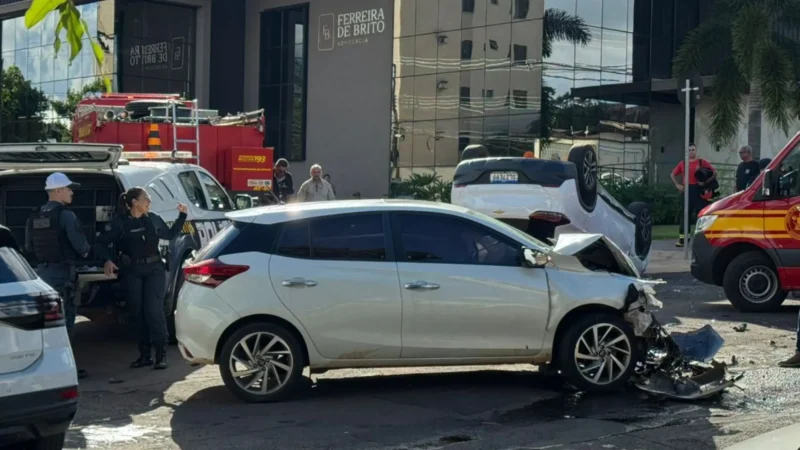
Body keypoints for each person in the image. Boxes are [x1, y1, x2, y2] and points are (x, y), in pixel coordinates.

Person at [96, 187, 187, 370]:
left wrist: (182, 216)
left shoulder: (152, 218)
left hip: (154, 270)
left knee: (154, 312)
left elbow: (169, 235)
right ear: (135, 202)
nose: (149, 201)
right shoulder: (120, 222)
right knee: (137, 314)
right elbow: (100, 243)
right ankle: (144, 355)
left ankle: (161, 355)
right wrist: (107, 260)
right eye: (146, 198)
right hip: (132, 271)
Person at [25, 173, 91, 379]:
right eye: (69, 189)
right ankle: (65, 369)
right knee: (65, 323)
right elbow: (81, 246)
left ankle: (43, 368)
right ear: (57, 191)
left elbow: (28, 247)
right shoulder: (66, 216)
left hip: (41, 275)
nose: (72, 192)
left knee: (45, 323)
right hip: (63, 275)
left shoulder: (35, 216)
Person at [670, 144, 717, 247]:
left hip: (698, 190)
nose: (691, 152)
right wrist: (677, 185)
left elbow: (714, 172)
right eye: (689, 150)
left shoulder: (701, 162)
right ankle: (683, 239)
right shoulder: (683, 163)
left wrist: (705, 183)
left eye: (693, 150)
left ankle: (703, 240)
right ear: (687, 152)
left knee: (701, 215)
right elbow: (672, 174)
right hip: (686, 190)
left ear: (696, 151)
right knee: (685, 215)